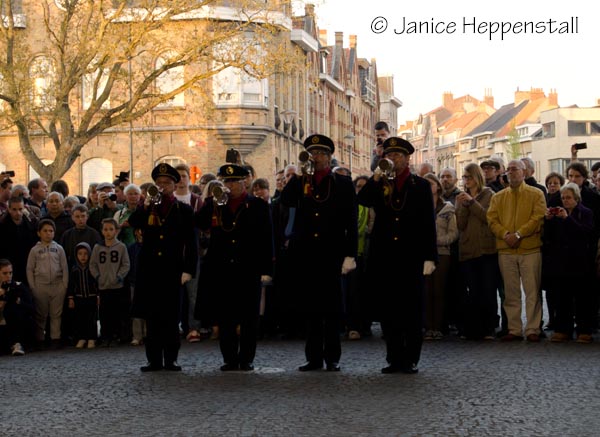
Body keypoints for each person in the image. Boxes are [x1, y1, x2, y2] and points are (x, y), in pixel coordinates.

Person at [358, 137, 437, 374]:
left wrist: (429, 257)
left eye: (397, 156)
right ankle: (393, 357)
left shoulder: (420, 185)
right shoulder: (381, 183)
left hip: (411, 256)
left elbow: (427, 224)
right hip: (385, 257)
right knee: (389, 310)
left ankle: (410, 358)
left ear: (407, 158)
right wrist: (375, 178)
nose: (392, 160)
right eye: (389, 156)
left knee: (411, 311)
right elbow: (362, 200)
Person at [281, 134, 358, 372]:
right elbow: (286, 199)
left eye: (321, 154)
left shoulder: (342, 183)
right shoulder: (302, 181)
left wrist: (349, 254)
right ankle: (313, 357)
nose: (317, 158)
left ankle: (332, 357)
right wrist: (298, 177)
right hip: (307, 255)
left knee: (332, 308)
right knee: (311, 308)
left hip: (332, 253)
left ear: (329, 157)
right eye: (313, 154)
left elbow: (351, 221)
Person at [195, 164, 273, 371]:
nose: (230, 185)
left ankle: (246, 358)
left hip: (248, 267)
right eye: (226, 181)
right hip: (221, 268)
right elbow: (201, 224)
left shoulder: (257, 205)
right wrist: (211, 203)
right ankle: (229, 358)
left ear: (243, 182)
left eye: (234, 181)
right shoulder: (215, 203)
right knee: (225, 315)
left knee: (249, 316)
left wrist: (266, 269)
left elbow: (266, 238)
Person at [128, 163, 198, 372]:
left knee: (170, 316)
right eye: (159, 183)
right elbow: (133, 221)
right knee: (152, 317)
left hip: (172, 270)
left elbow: (191, 242)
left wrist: (188, 269)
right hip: (150, 270)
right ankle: (153, 359)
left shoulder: (183, 210)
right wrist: (146, 204)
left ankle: (171, 358)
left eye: (167, 183)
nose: (162, 186)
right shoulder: (149, 207)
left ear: (175, 185)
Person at [487, 160, 546, 342]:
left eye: (515, 169)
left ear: (524, 172)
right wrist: (506, 235)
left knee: (532, 291)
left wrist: (519, 234)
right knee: (511, 292)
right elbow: (492, 219)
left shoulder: (536, 194)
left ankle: (533, 329)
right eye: (509, 170)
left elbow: (538, 217)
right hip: (506, 249)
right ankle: (514, 328)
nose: (511, 173)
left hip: (530, 248)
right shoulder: (498, 197)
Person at [543, 183, 595, 343]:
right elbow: (549, 237)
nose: (565, 201)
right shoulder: (557, 213)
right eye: (563, 198)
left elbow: (585, 233)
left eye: (568, 198)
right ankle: (562, 329)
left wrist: (567, 219)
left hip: (580, 261)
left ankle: (583, 330)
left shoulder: (585, 213)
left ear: (576, 198)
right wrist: (548, 220)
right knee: (562, 297)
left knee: (582, 299)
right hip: (561, 261)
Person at [455, 164, 498, 340]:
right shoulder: (461, 197)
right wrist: (463, 205)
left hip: (486, 249)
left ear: (477, 177)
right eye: (464, 178)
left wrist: (472, 203)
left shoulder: (490, 195)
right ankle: (472, 328)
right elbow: (460, 224)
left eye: (469, 177)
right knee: (471, 291)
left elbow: (488, 218)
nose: (466, 181)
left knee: (487, 290)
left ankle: (488, 328)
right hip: (468, 249)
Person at [422, 173, 457, 341]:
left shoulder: (448, 208)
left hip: (442, 253)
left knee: (439, 290)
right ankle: (428, 326)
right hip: (423, 255)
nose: (429, 187)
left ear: (438, 186)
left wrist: (437, 241)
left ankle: (439, 326)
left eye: (431, 183)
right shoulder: (418, 206)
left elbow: (453, 233)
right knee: (426, 290)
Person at [26, 219, 69, 347]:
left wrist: (64, 284)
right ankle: (40, 339)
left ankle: (55, 338)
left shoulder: (59, 249)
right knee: (41, 314)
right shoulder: (34, 250)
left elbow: (64, 266)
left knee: (56, 314)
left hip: (57, 286)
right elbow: (29, 268)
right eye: (45, 231)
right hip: (40, 286)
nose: (48, 233)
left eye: (51, 231)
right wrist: (33, 286)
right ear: (39, 233)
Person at [173, 164, 203, 344]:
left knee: (193, 293)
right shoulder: (168, 200)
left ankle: (194, 327)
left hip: (192, 252)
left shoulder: (197, 201)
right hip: (174, 254)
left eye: (184, 176)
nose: (181, 179)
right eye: (178, 176)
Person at [90, 218, 130, 346]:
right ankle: (105, 335)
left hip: (117, 286)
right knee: (104, 312)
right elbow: (93, 264)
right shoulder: (97, 247)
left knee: (116, 312)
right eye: (105, 229)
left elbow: (126, 264)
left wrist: (119, 276)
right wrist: (97, 277)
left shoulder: (121, 247)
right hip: (103, 286)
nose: (108, 232)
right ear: (102, 231)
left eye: (111, 229)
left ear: (116, 231)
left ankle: (116, 335)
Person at [67, 243, 99, 349]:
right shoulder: (74, 269)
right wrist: (71, 298)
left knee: (92, 319)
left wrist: (98, 295)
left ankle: (92, 338)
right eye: (80, 254)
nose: (83, 256)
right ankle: (82, 338)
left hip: (92, 297)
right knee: (80, 319)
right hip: (79, 298)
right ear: (76, 255)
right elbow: (71, 284)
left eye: (85, 254)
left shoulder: (92, 268)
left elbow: (97, 282)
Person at [0, 196, 39, 285]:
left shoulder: (31, 224)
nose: (18, 212)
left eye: (20, 209)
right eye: (14, 209)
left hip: (27, 264)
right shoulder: (2, 226)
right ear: (9, 209)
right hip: (8, 267)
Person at [0, 259, 35, 356]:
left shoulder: (18, 286)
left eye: (10, 273)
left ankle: (17, 344)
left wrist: (19, 302)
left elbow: (31, 308)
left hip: (14, 324)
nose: (8, 276)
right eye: (5, 273)